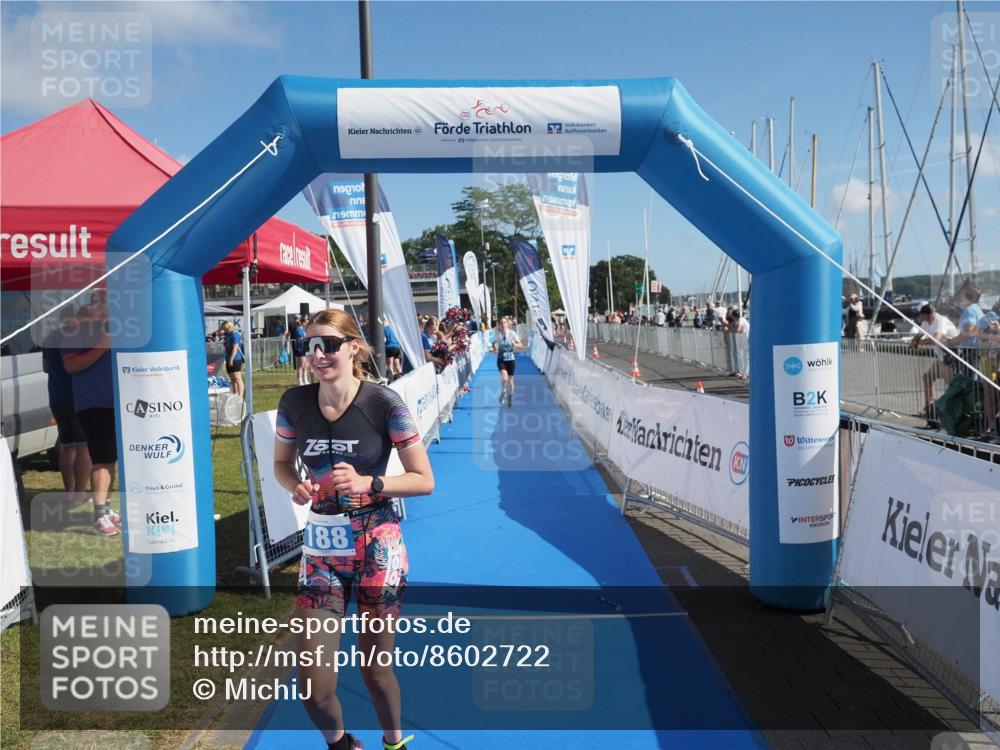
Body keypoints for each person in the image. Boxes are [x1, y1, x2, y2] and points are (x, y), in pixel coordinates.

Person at [273, 309, 433, 750]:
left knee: (376, 670)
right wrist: (297, 487)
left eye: (329, 344)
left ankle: (394, 742)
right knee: (313, 684)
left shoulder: (385, 404)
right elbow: (282, 466)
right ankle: (342, 744)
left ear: (353, 347)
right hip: (322, 555)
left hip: (377, 551)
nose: (319, 354)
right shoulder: (294, 403)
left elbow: (424, 479)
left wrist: (372, 483)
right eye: (311, 345)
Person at [62, 293, 121, 536]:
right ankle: (98, 516)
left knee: (110, 459)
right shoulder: (75, 330)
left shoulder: (112, 327)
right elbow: (71, 365)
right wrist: (102, 347)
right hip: (93, 404)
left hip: (115, 402)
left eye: (107, 302)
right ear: (87, 306)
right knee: (102, 459)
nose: (105, 307)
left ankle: (105, 509)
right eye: (99, 303)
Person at [42, 307, 91, 506]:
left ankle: (68, 493)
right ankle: (80, 494)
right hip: (78, 396)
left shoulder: (51, 336)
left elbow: (45, 367)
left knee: (66, 446)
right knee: (83, 447)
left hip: (56, 395)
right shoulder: (80, 336)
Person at [908, 304, 959, 420]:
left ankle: (949, 414)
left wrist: (917, 343)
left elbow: (936, 339)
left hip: (952, 358)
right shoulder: (926, 322)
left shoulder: (941, 321)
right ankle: (929, 408)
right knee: (927, 378)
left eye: (920, 315)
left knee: (950, 386)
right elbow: (919, 334)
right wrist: (914, 341)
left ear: (927, 314)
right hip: (941, 358)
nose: (919, 318)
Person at [493, 317, 522, 407]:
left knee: (510, 381)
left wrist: (514, 344)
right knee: (504, 377)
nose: (503, 324)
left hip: (510, 359)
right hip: (501, 358)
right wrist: (495, 347)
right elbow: (493, 343)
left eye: (504, 322)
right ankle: (503, 392)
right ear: (499, 325)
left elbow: (521, 345)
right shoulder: (497, 334)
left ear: (507, 324)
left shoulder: (512, 333)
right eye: (501, 323)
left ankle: (510, 397)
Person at [220, 321, 245, 398]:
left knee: (237, 378)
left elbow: (235, 347)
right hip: (228, 358)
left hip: (235, 359)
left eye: (225, 328)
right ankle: (235, 395)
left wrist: (231, 359)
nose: (224, 330)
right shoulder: (228, 335)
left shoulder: (235, 334)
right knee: (232, 379)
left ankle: (240, 397)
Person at [294, 317, 310, 386]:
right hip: (300, 349)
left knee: (306, 365)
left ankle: (305, 379)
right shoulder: (299, 329)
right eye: (305, 322)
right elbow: (300, 339)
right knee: (301, 365)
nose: (306, 323)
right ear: (302, 322)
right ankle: (300, 381)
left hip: (305, 349)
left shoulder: (304, 330)